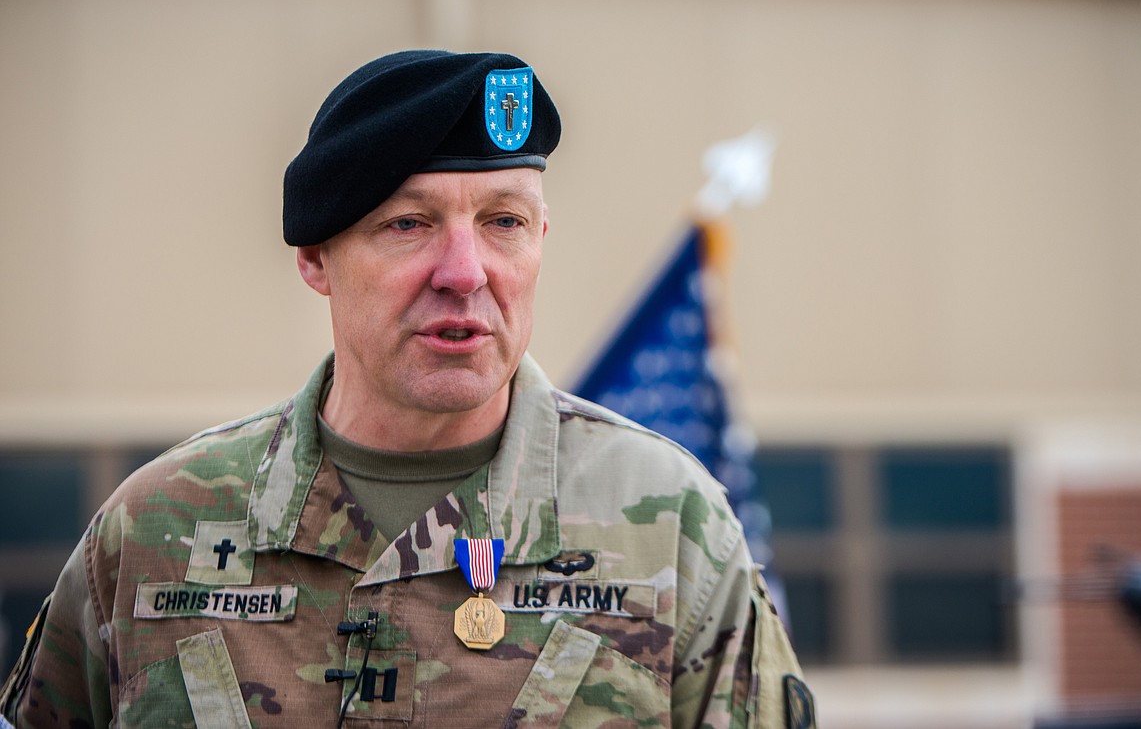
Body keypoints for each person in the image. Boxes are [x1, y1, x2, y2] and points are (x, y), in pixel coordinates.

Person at [0, 50, 814, 728]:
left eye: (504, 222)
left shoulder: (672, 526)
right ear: (316, 258)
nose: (466, 273)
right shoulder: (154, 530)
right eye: (408, 224)